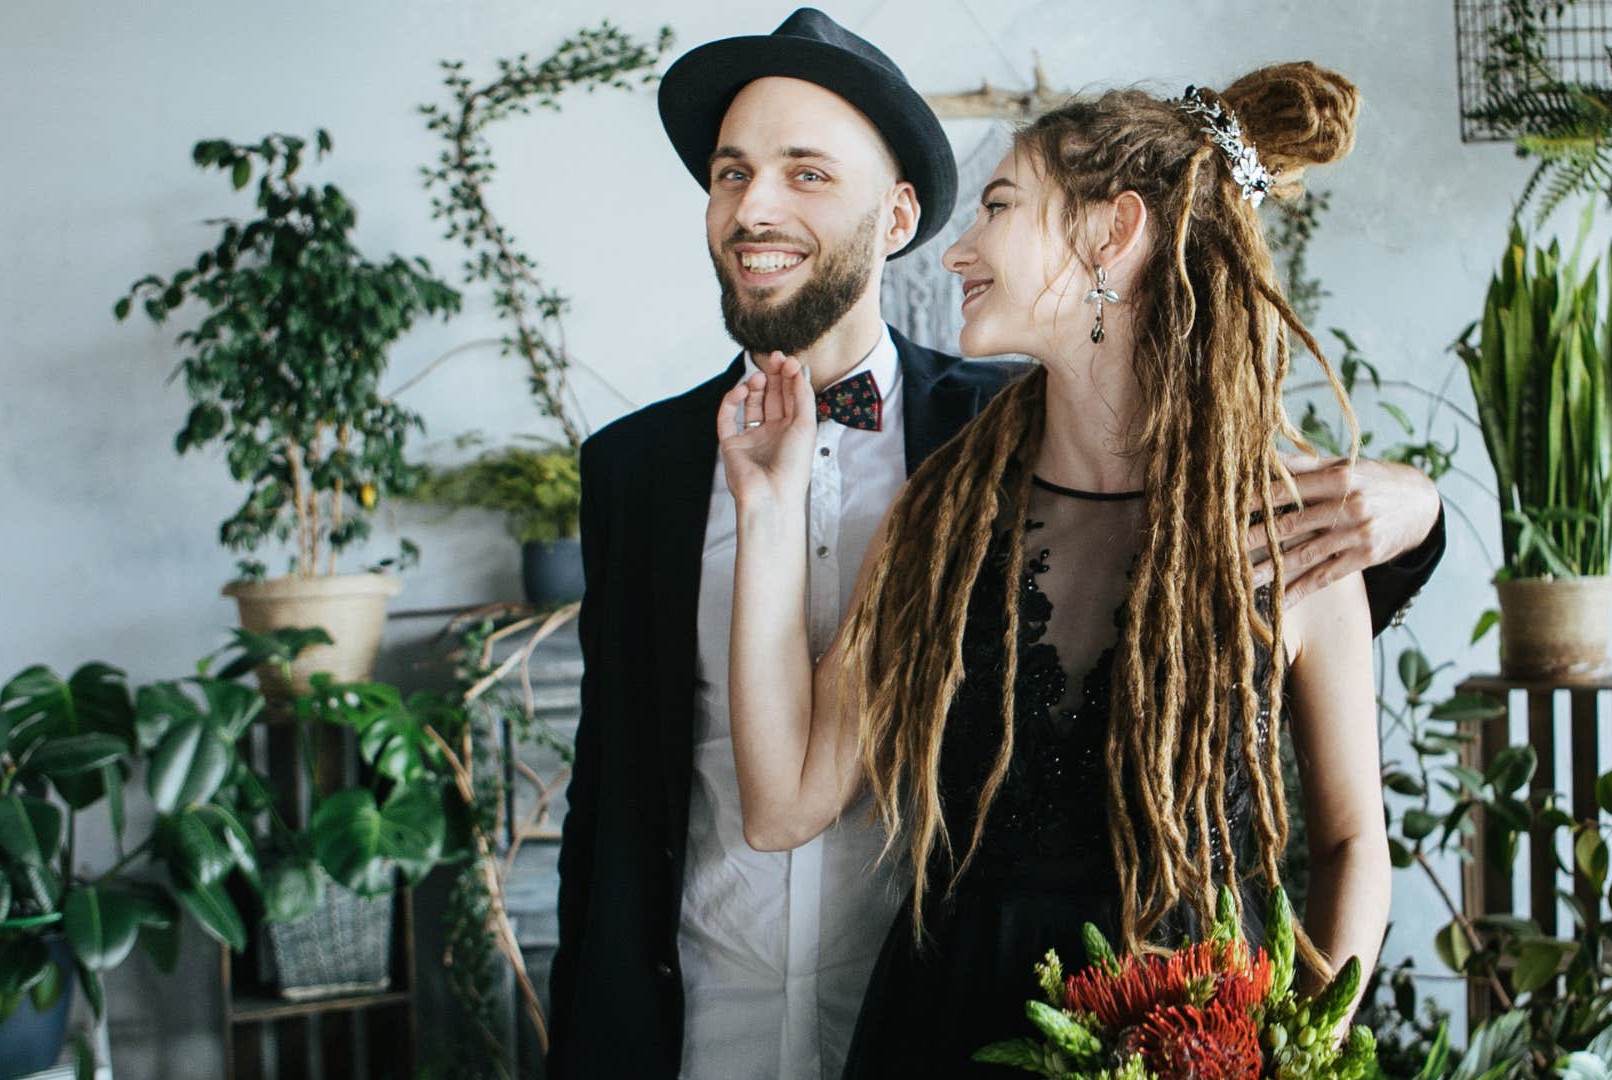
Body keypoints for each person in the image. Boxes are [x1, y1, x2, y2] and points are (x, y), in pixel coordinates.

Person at [550, 10, 1443, 1079]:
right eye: (732, 173)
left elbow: (1353, 842)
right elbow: (772, 799)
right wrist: (769, 505)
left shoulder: (1272, 521)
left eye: (1001, 207)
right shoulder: (945, 510)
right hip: (935, 1028)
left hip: (1206, 1034)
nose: (960, 250)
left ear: (1112, 237)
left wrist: (1303, 1051)